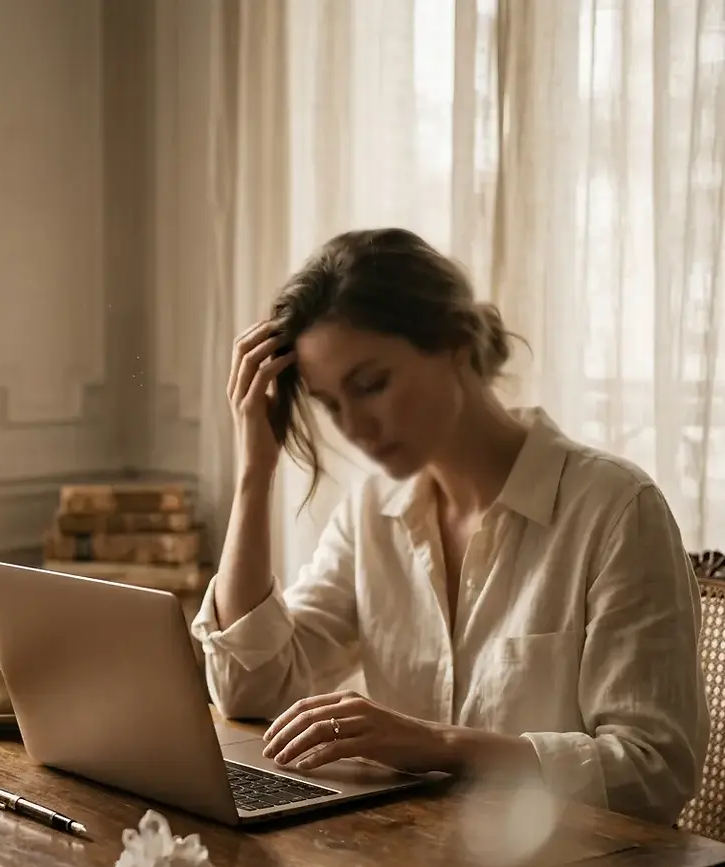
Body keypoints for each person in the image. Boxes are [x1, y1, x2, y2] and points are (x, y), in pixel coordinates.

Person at [190, 227, 709, 825]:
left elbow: (655, 769)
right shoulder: (371, 512)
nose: (354, 427)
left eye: (371, 385)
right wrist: (255, 471)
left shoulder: (615, 509)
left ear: (456, 343)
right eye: (330, 404)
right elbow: (250, 689)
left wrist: (437, 745)